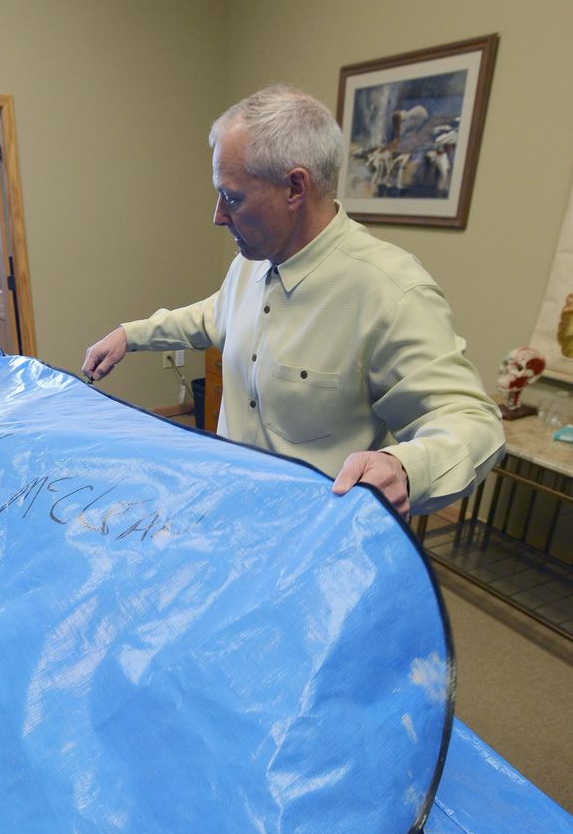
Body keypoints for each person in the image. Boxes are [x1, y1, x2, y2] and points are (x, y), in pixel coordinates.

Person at [82, 84, 505, 518]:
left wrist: (405, 467)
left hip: (310, 544)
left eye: (232, 197)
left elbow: (474, 421)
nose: (218, 216)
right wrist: (129, 335)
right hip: (228, 508)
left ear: (295, 188)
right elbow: (215, 315)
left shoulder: (389, 292)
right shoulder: (252, 260)